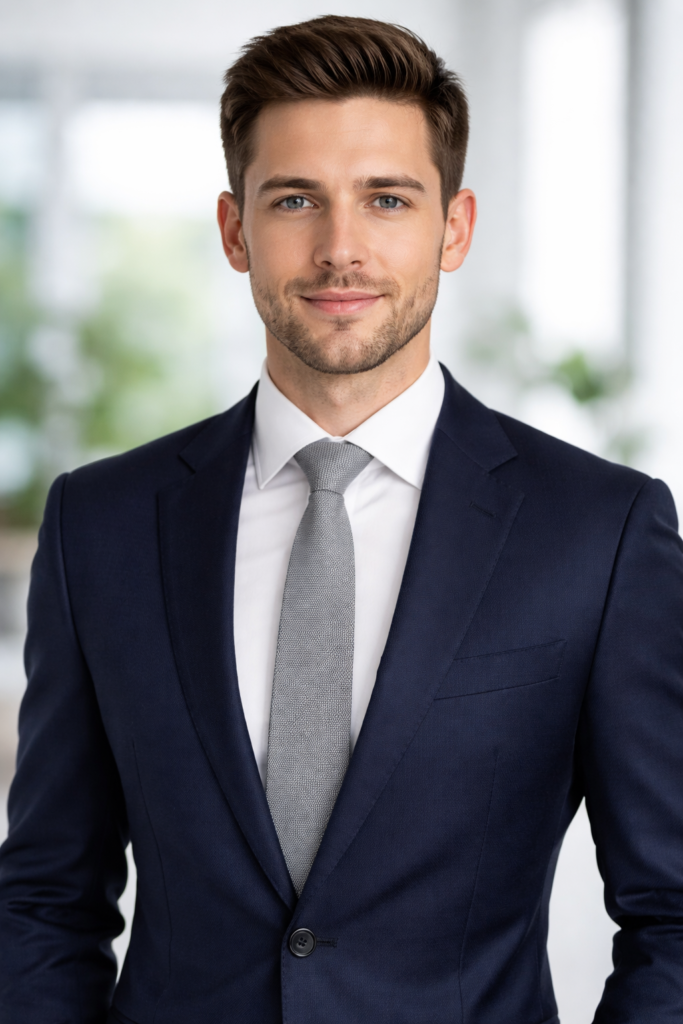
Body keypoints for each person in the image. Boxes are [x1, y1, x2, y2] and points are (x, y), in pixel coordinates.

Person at [1, 14, 682, 1024]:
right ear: (235, 229)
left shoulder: (598, 531)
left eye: (386, 198)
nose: (339, 248)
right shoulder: (100, 525)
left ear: (452, 226)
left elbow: (669, 913)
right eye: (293, 199)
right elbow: (48, 902)